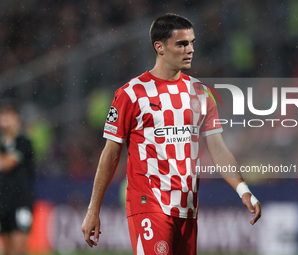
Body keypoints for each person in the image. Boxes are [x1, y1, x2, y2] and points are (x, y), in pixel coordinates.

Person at [82, 13, 261, 254]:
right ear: (160, 47)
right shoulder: (131, 94)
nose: (190, 49)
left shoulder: (201, 93)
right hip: (149, 203)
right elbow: (111, 153)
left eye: (192, 42)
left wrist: (243, 190)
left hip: (187, 207)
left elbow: (217, 148)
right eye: (182, 43)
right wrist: (94, 209)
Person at [0, 101, 35, 255]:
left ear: (17, 118)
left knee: (20, 248)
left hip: (21, 201)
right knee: (7, 248)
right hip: (3, 201)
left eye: (9, 115)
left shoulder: (24, 142)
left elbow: (7, 164)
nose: (5, 119)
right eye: (3, 116)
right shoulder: (2, 145)